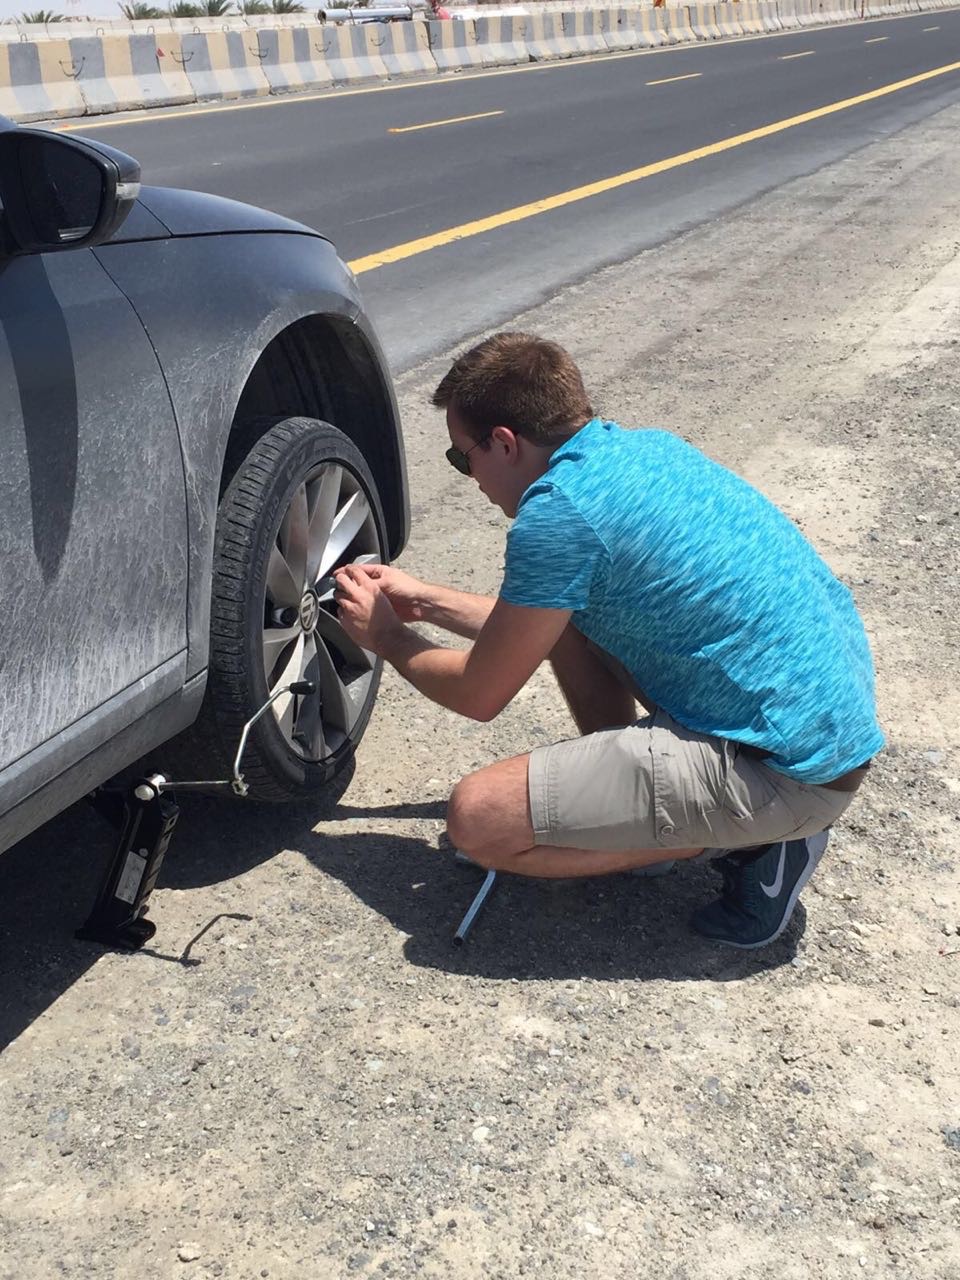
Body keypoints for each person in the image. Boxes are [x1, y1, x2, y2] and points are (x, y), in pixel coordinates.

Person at [333, 333, 883, 949]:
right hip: (820, 728)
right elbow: (535, 627)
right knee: (573, 623)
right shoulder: (644, 452)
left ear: (505, 443)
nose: (472, 478)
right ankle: (653, 824)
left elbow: (479, 692)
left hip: (789, 772)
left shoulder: (560, 514)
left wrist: (387, 637)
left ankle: (757, 843)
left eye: (463, 458)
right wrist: (426, 600)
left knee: (478, 822)